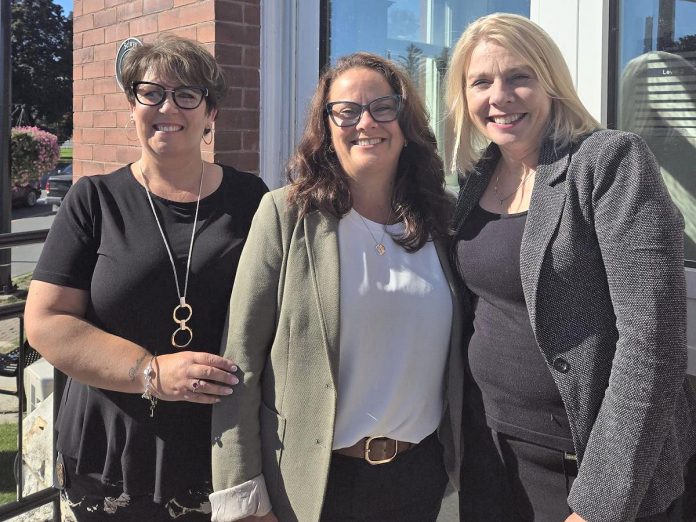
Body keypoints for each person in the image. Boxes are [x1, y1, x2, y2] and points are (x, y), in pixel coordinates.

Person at [444, 13, 696, 522]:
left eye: (519, 77)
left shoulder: (608, 163)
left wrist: (598, 501)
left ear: (551, 82)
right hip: (489, 449)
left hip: (582, 463)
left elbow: (653, 339)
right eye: (481, 82)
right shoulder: (475, 178)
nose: (500, 96)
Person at [209, 52, 463, 522]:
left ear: (405, 123)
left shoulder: (442, 222)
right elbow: (238, 360)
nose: (366, 122)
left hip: (420, 478)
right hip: (311, 486)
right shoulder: (286, 216)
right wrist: (242, 496)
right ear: (326, 128)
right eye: (346, 111)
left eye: (383, 107)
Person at [24, 34, 267, 521]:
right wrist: (152, 372)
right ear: (133, 105)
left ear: (210, 114)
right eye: (150, 92)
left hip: (220, 447)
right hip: (109, 452)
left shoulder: (252, 199)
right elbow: (47, 321)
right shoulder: (94, 200)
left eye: (186, 94)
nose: (167, 107)